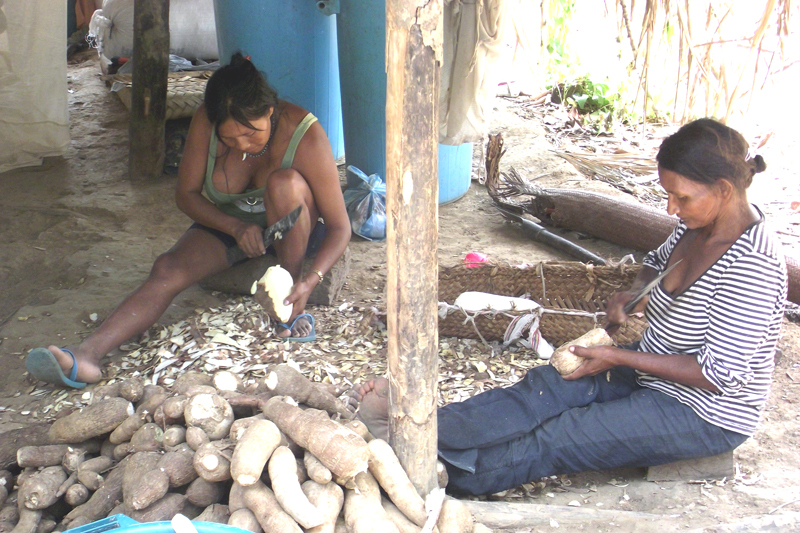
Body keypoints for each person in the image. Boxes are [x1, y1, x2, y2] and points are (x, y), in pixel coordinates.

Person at [352, 118, 787, 496]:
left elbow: (717, 375)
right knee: (547, 387)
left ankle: (440, 473)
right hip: (647, 373)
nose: (671, 209)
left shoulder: (754, 264)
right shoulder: (695, 226)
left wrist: (616, 356)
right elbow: (655, 263)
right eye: (667, 195)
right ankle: (411, 430)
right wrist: (633, 295)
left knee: (561, 437)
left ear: (725, 190)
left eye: (682, 198)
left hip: (700, 411)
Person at [26, 53, 351, 388]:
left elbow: (341, 228)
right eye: (230, 139)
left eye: (252, 135)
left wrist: (312, 279)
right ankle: (86, 356)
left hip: (295, 227)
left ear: (270, 110)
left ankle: (289, 307)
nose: (242, 145)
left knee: (284, 184)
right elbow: (186, 195)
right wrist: (236, 228)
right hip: (234, 226)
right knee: (167, 268)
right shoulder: (206, 123)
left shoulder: (305, 133)